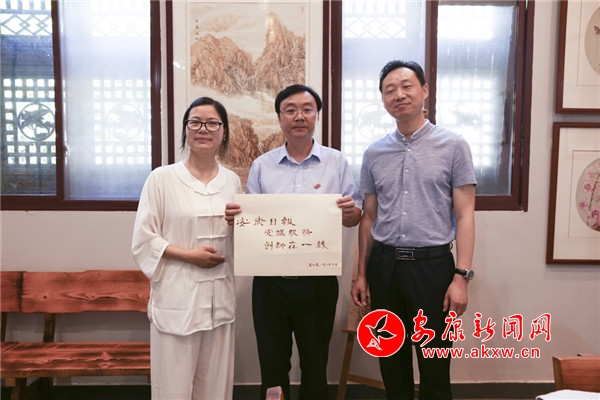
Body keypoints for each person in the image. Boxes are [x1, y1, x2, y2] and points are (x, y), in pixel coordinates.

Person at [225, 84, 362, 400]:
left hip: (318, 282)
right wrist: (237, 219)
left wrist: (350, 211)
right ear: (280, 117)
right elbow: (252, 224)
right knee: (272, 364)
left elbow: (355, 217)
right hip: (270, 284)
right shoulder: (262, 165)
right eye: (290, 110)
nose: (299, 116)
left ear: (317, 115)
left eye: (307, 109)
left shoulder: (336, 162)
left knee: (316, 364)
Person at [351, 60, 477, 400]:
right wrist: (362, 274)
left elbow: (465, 214)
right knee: (391, 361)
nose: (399, 95)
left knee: (435, 364)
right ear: (382, 99)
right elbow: (369, 218)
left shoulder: (453, 146)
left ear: (424, 90)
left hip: (432, 268)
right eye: (389, 90)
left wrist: (462, 276)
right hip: (385, 267)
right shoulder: (374, 152)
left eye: (407, 86)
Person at [132, 97, 241, 399]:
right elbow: (144, 238)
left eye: (212, 123)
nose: (203, 129)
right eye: (195, 122)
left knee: (215, 388)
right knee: (173, 388)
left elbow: (238, 239)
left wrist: (238, 225)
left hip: (219, 300)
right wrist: (189, 256)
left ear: (223, 132)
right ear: (185, 129)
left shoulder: (232, 181)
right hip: (177, 298)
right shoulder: (162, 179)